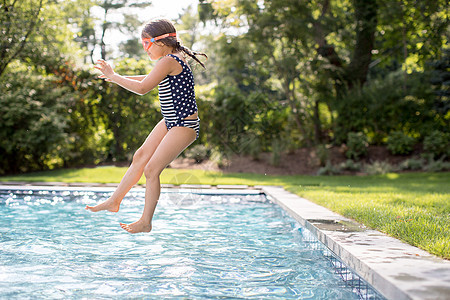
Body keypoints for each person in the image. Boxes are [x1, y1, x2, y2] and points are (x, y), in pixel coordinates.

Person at [86, 19, 207, 233]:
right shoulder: (171, 60)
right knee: (140, 156)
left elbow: (143, 88)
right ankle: (115, 201)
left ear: (159, 42)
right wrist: (114, 78)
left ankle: (145, 221)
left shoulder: (169, 60)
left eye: (145, 44)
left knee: (152, 169)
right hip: (171, 121)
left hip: (184, 124)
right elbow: (149, 78)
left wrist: (115, 76)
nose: (145, 49)